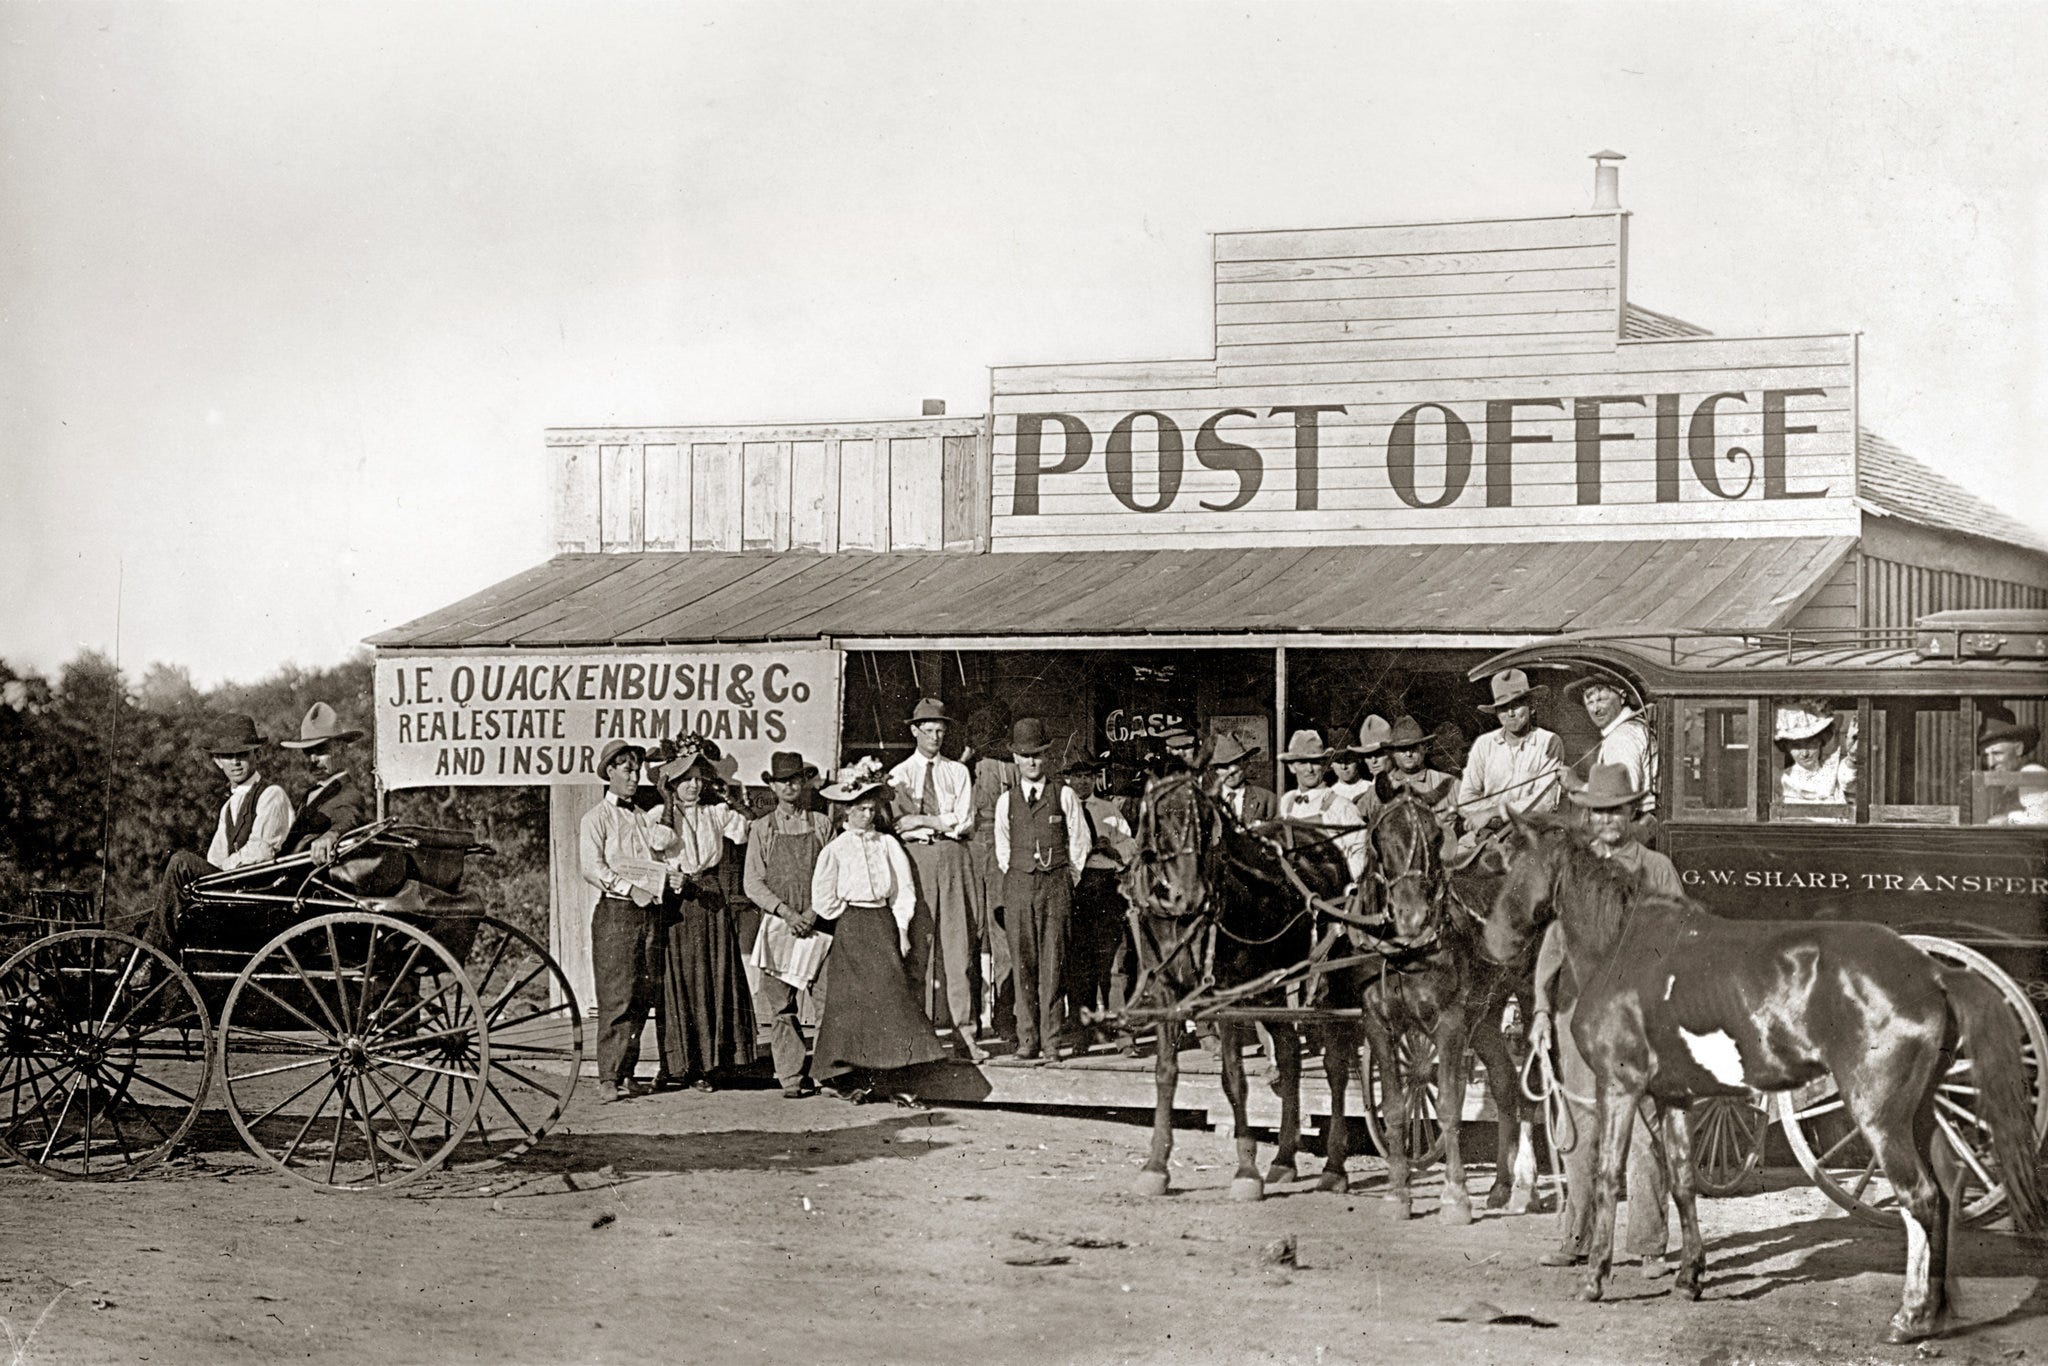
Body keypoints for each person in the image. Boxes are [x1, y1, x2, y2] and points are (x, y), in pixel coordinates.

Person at [1526, 762, 1683, 1274]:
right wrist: (1542, 1008)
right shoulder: (1575, 868)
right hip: (1577, 1015)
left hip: (1635, 1017)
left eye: (1616, 810)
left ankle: (1649, 1244)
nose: (1608, 820)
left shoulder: (1657, 868)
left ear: (1633, 812)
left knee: (1642, 1130)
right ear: (1588, 817)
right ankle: (1577, 1237)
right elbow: (1554, 941)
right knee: (1579, 1125)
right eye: (1598, 812)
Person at [810, 759, 947, 1105]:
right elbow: (823, 899)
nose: (867, 815)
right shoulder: (835, 849)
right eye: (860, 809)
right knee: (852, 1005)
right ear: (846, 810)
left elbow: (903, 891)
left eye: (872, 809)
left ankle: (897, 1080)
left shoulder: (887, 844)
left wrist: (901, 929)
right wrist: (847, 915)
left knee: (891, 1001)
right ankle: (848, 1079)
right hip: (852, 928)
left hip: (883, 925)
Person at [139, 713, 295, 950]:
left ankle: (152, 952)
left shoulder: (271, 795)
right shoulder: (229, 807)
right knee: (164, 908)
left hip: (256, 897)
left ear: (257, 754)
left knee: (181, 863)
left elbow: (261, 852)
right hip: (232, 891)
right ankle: (147, 950)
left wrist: (221, 870)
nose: (236, 762)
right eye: (228, 756)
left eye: (243, 754)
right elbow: (215, 858)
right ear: (217, 761)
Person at [653, 743, 756, 1091]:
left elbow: (744, 830)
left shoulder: (714, 813)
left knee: (712, 976)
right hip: (677, 902)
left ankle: (713, 1065)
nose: (694, 786)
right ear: (670, 783)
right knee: (683, 979)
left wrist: (728, 797)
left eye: (698, 778)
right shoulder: (658, 815)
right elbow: (660, 842)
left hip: (711, 898)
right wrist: (668, 803)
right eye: (685, 779)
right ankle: (683, 1065)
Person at [888, 698, 984, 1061]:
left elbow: (963, 821)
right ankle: (918, 1038)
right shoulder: (898, 775)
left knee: (958, 952)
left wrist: (922, 820)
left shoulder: (957, 773)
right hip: (917, 861)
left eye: (940, 731)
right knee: (918, 949)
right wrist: (934, 821)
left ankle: (965, 1035)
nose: (935, 737)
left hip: (953, 857)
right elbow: (898, 824)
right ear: (914, 731)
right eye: (928, 730)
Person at [994, 718, 1092, 1063]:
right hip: (1019, 886)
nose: (1032, 762)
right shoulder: (1006, 801)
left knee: (1054, 963)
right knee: (1022, 963)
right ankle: (1028, 1039)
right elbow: (1002, 848)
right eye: (1025, 756)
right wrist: (1020, 872)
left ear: (1047, 757)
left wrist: (1066, 878)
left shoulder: (1064, 794)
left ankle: (1051, 1041)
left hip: (1056, 886)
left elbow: (1080, 843)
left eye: (1037, 755)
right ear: (1015, 759)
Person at [743, 751, 835, 1099]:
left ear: (805, 783)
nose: (790, 786)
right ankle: (791, 1075)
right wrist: (786, 912)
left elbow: (833, 874)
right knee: (781, 1005)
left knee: (826, 1001)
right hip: (780, 927)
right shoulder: (762, 828)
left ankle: (826, 1074)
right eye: (783, 781)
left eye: (796, 779)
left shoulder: (822, 825)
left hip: (818, 924)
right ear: (773, 786)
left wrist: (812, 912)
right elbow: (752, 883)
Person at [578, 738, 666, 1103]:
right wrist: (631, 890)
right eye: (627, 770)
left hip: (649, 913)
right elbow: (592, 868)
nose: (634, 777)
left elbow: (656, 860)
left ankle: (627, 1072)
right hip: (617, 914)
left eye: (637, 770)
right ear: (610, 772)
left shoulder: (643, 817)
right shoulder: (595, 818)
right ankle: (608, 1077)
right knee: (616, 995)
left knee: (642, 995)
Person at [1064, 752, 1137, 1051]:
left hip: (1106, 886)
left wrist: (1112, 850)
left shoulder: (1108, 810)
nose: (1082, 782)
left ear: (1095, 779)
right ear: (1068, 779)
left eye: (1088, 776)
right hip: (1076, 888)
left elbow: (1130, 842)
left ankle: (1122, 1034)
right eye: (1077, 776)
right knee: (1079, 963)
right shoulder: (1063, 809)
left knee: (1115, 963)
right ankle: (1082, 1034)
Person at [1457, 670, 1564, 846]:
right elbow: (1466, 799)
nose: (1510, 713)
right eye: (1503, 707)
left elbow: (1544, 802)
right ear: (1497, 713)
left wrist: (1493, 812)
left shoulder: (1549, 742)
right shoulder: (1484, 744)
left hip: (1533, 836)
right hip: (1488, 834)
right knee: (1457, 857)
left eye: (1517, 704)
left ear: (1531, 706)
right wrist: (1490, 819)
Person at [963, 707, 1017, 1040]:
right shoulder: (962, 767)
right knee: (970, 934)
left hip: (1000, 850)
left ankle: (1005, 1015)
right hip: (969, 850)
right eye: (978, 730)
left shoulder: (1009, 767)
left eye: (989, 730)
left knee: (1003, 936)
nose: (983, 736)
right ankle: (970, 1019)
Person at [278, 702, 369, 863]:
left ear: (341, 750)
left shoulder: (348, 793)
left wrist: (332, 835)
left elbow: (349, 818)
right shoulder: (313, 792)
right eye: (308, 751)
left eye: (321, 750)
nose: (313, 759)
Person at [1276, 729, 1365, 877]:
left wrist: (1345, 883)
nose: (1310, 769)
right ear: (1292, 767)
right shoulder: (1287, 801)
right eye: (1302, 762)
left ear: (1324, 764)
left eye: (1315, 762)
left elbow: (1361, 851)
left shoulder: (1341, 805)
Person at [1569, 677, 1657, 818]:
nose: (1595, 709)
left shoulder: (1622, 737)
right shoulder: (1630, 728)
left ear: (1622, 697)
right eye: (1590, 702)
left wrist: (1577, 785)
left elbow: (1622, 797)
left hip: (1635, 821)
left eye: (1601, 700)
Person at [1774, 702, 1856, 806]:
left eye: (1810, 744)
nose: (1805, 753)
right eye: (1796, 746)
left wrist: (1853, 754)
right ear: (1787, 747)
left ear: (1821, 741)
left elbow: (1848, 777)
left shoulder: (1832, 768)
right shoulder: (1783, 780)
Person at [1978, 720, 2042, 823]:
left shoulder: (2032, 771)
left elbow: (2041, 819)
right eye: (1986, 756)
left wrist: (2006, 819)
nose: (1991, 763)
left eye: (1997, 753)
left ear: (2018, 749)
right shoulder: (2008, 781)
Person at [1209, 735, 1275, 823]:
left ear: (1245, 764)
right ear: (1216, 770)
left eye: (1235, 764)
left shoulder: (1267, 799)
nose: (1230, 773)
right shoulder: (1207, 801)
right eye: (1223, 766)